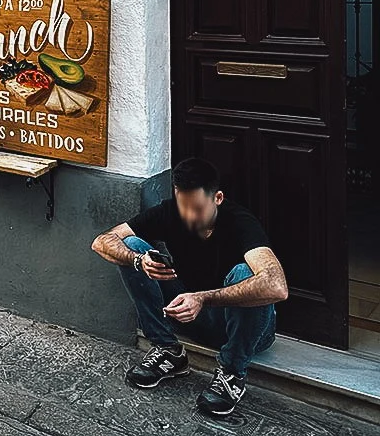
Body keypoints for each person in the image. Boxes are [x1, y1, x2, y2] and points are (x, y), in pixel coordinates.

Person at [91, 157, 288, 417]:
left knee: (245, 273)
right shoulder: (170, 211)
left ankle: (231, 373)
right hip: (190, 317)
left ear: (217, 198)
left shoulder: (240, 221)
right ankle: (168, 351)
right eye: (183, 207)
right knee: (134, 248)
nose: (189, 216)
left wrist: (203, 299)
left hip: (244, 331)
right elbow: (102, 241)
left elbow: (277, 286)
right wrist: (138, 261)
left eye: (197, 208)